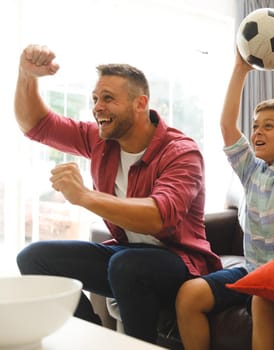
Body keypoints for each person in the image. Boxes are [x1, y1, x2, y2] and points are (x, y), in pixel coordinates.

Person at [14, 44, 222, 345]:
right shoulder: (100, 140)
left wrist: (85, 195)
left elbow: (158, 218)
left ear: (140, 103)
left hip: (180, 263)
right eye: (95, 99)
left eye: (108, 98)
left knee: (126, 266)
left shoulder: (181, 152)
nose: (97, 106)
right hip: (125, 255)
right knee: (34, 258)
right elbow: (35, 125)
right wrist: (26, 76)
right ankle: (94, 339)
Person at [175, 16, 274, 350]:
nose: (257, 132)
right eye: (256, 126)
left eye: (269, 126)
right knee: (189, 296)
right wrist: (240, 69)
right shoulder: (251, 171)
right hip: (252, 270)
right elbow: (227, 125)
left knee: (261, 303)